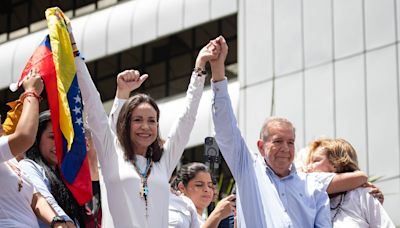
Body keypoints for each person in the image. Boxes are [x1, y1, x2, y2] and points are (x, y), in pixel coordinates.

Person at [208, 36, 369, 227]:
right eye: (277, 141)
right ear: (261, 146)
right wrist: (218, 70)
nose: (285, 148)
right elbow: (226, 127)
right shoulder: (248, 169)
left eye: (290, 142)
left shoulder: (312, 184)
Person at [73, 23, 221, 226]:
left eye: (152, 121)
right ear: (126, 125)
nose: (146, 127)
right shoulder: (110, 155)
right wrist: (73, 54)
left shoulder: (163, 162)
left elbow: (186, 119)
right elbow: (93, 104)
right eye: (138, 120)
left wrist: (199, 68)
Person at [0, 69, 73, 228]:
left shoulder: (12, 161)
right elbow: (24, 137)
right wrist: (31, 93)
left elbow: (35, 199)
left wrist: (58, 222)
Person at [305, 138, 395, 227]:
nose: (308, 167)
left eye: (315, 161)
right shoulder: (307, 203)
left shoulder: (362, 195)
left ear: (336, 164)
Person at [20, 110, 86, 227]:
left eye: (63, 139)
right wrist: (63, 222)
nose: (58, 144)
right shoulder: (27, 166)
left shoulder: (66, 175)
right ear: (37, 138)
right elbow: (44, 199)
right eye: (52, 137)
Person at [169, 162, 235, 228]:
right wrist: (217, 215)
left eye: (210, 185)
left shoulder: (201, 218)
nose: (207, 190)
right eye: (199, 185)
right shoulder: (176, 214)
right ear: (182, 187)